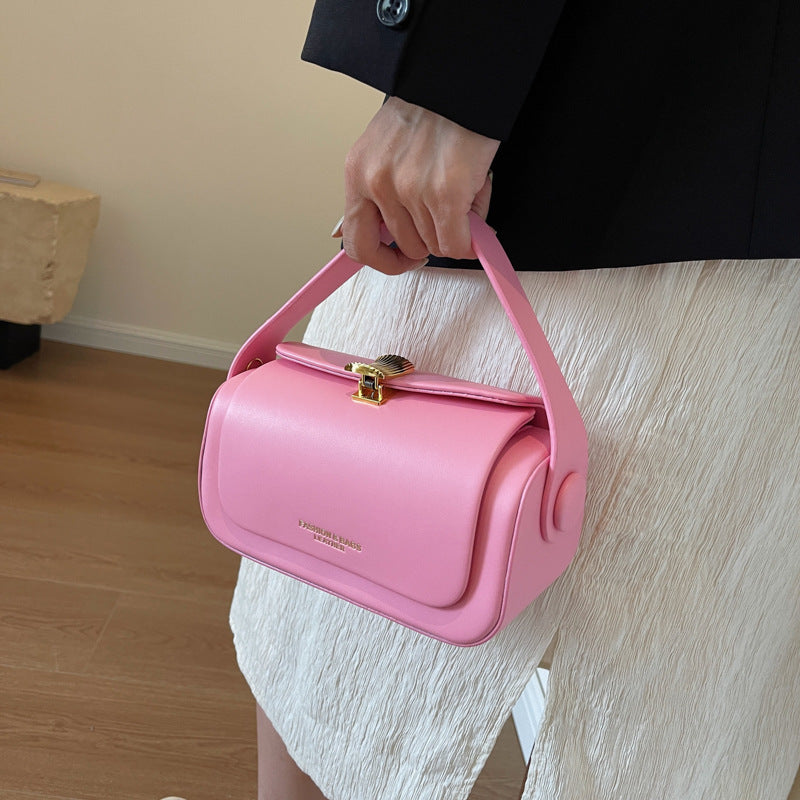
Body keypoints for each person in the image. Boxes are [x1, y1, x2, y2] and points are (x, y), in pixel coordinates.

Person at [230, 1, 800, 798]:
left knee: (341, 620)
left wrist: (445, 77)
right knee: (683, 642)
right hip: (741, 147)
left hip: (611, 106)